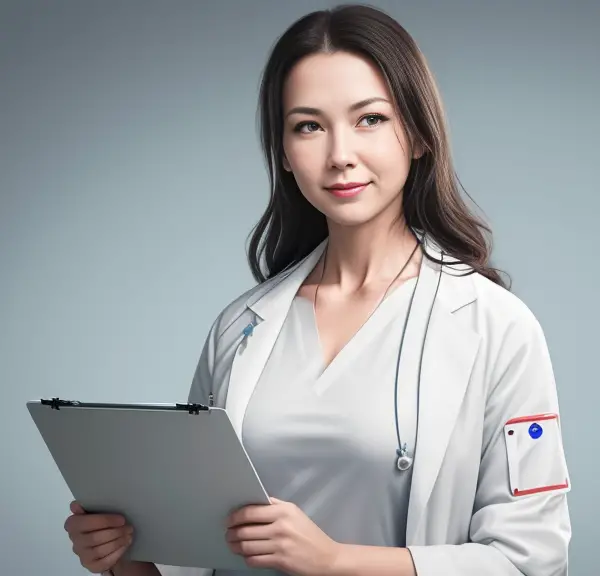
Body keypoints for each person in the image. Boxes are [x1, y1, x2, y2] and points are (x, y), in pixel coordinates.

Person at [63, 4, 571, 576]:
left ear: (419, 134)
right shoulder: (240, 328)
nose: (340, 155)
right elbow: (197, 558)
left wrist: (334, 561)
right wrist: (124, 561)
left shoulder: (495, 325)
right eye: (309, 125)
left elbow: (531, 562)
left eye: (370, 119)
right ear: (283, 152)